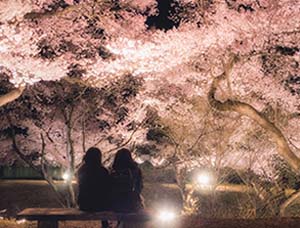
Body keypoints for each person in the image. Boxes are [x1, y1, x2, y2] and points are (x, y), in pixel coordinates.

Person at [77, 147, 111, 228]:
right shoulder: (103, 171)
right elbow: (107, 189)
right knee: (104, 199)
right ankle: (105, 225)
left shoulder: (82, 170)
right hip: (101, 205)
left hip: (84, 205)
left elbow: (81, 187)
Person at [110, 148, 144, 213]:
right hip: (131, 204)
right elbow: (139, 187)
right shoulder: (135, 170)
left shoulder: (114, 172)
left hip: (115, 205)